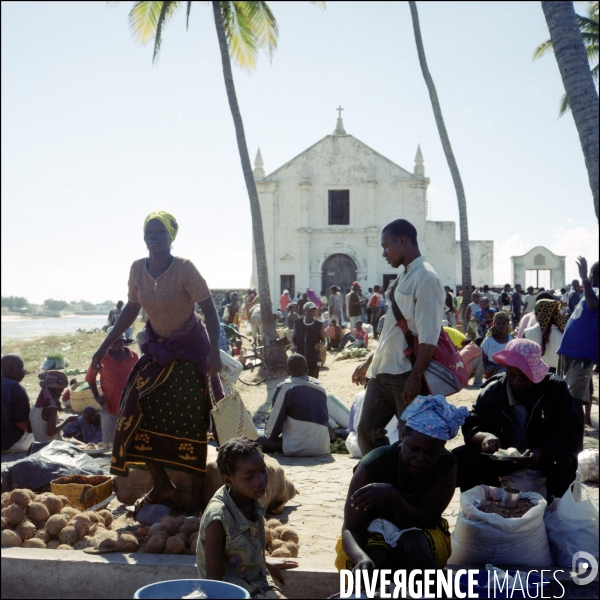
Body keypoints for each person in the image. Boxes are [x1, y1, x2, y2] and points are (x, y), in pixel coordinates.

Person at [90, 211, 222, 514]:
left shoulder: (185, 269)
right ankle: (162, 483)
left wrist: (214, 352)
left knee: (192, 417)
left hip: (191, 349)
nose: (154, 236)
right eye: (149, 231)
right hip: (157, 349)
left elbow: (210, 312)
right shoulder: (138, 269)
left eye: (160, 232)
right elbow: (131, 311)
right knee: (134, 410)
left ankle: (195, 498)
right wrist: (103, 346)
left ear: (170, 236)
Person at [339, 395, 469, 575]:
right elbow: (351, 527)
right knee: (376, 557)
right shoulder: (373, 465)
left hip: (422, 536)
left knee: (412, 543)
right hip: (372, 536)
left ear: (442, 447)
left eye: (430, 453)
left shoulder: (446, 465)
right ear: (403, 435)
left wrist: (392, 496)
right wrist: (361, 558)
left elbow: (426, 520)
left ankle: (430, 592)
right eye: (414, 449)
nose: (420, 459)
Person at [352, 219, 445, 456]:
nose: (384, 253)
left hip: (405, 375)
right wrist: (368, 363)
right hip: (382, 372)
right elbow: (391, 333)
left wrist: (415, 377)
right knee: (366, 431)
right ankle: (383, 476)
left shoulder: (426, 278)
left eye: (386, 246)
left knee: (409, 439)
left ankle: (403, 489)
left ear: (402, 241)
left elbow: (428, 337)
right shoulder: (403, 277)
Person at [452, 338, 582, 499]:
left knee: (566, 462)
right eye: (512, 375)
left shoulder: (555, 390)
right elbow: (473, 420)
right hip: (502, 460)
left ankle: (555, 505)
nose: (517, 381)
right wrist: (484, 436)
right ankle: (476, 505)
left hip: (544, 461)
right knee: (460, 458)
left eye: (524, 376)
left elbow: (571, 432)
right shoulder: (493, 390)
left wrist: (542, 452)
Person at [197, 438, 298, 598]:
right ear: (228, 480)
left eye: (263, 471)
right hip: (231, 594)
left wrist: (263, 563)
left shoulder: (253, 498)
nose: (261, 480)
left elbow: (253, 542)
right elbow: (214, 585)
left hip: (258, 584)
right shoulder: (218, 519)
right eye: (249, 476)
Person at [258, 354, 330, 456]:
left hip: (295, 447)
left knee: (254, 435)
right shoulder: (320, 386)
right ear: (306, 369)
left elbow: (271, 431)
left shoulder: (285, 387)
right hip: (322, 447)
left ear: (288, 371)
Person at [558, 258, 599, 426]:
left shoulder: (593, 292)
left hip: (581, 355)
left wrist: (583, 277)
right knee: (567, 396)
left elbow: (593, 303)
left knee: (574, 401)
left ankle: (576, 444)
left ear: (594, 275)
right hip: (570, 351)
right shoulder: (591, 291)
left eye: (589, 274)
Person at [85, 327, 138, 445]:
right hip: (109, 405)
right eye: (114, 341)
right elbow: (90, 379)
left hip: (130, 404)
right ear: (108, 343)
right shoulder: (101, 358)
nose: (118, 343)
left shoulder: (133, 356)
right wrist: (96, 396)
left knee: (130, 438)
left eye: (121, 340)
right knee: (110, 442)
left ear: (124, 341)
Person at [29, 371, 78, 442]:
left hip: (38, 446)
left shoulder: (35, 406)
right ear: (53, 389)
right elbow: (51, 432)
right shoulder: (51, 408)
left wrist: (58, 421)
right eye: (60, 391)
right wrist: (68, 420)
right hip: (52, 448)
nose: (61, 394)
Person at [1, 355, 33, 453]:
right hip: (9, 443)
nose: (24, 371)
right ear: (11, 369)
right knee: (46, 433)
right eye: (21, 367)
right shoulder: (14, 387)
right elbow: (22, 424)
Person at [523, 299, 566, 372]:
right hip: (557, 374)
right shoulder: (563, 333)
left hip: (533, 374)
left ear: (537, 314)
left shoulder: (527, 333)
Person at [291, 302, 326, 378]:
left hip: (313, 359)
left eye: (313, 311)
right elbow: (293, 339)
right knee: (300, 381)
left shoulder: (319, 325)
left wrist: (320, 345)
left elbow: (323, 341)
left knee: (313, 381)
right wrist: (293, 346)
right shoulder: (298, 323)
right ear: (304, 311)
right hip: (300, 359)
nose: (312, 313)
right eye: (309, 311)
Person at [481, 311, 513, 379]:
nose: (500, 325)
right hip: (492, 369)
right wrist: (485, 373)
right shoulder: (488, 341)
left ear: (507, 324)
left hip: (508, 368)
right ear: (494, 324)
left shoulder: (512, 339)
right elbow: (484, 359)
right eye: (498, 323)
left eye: (503, 323)